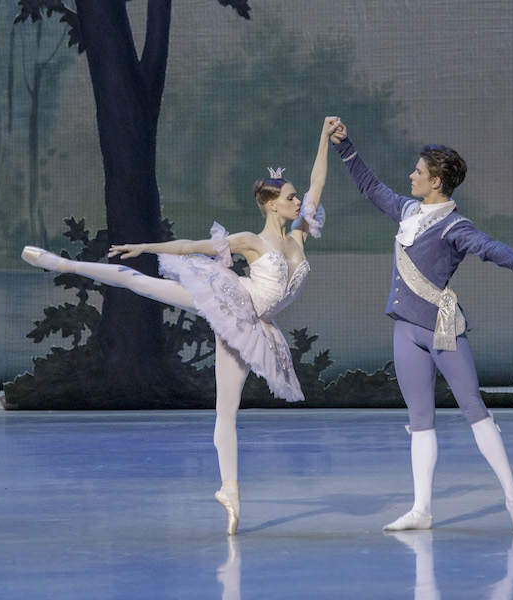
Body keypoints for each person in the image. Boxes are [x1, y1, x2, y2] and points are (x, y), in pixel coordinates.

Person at [22, 116, 342, 536]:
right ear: (271, 204)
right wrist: (144, 245)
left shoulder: (299, 236)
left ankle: (229, 491)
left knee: (227, 410)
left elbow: (318, 182)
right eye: (290, 197)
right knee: (141, 283)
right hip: (231, 301)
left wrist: (323, 136)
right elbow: (191, 246)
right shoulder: (252, 241)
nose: (298, 201)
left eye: (296, 196)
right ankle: (63, 264)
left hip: (255, 326)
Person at [330, 121, 513, 533]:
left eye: (418, 172)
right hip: (406, 331)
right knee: (420, 420)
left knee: (474, 410)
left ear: (436, 182)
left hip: (441, 330)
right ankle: (421, 510)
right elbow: (370, 187)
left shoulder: (455, 227)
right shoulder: (407, 212)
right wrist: (344, 144)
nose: (411, 176)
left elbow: (490, 247)